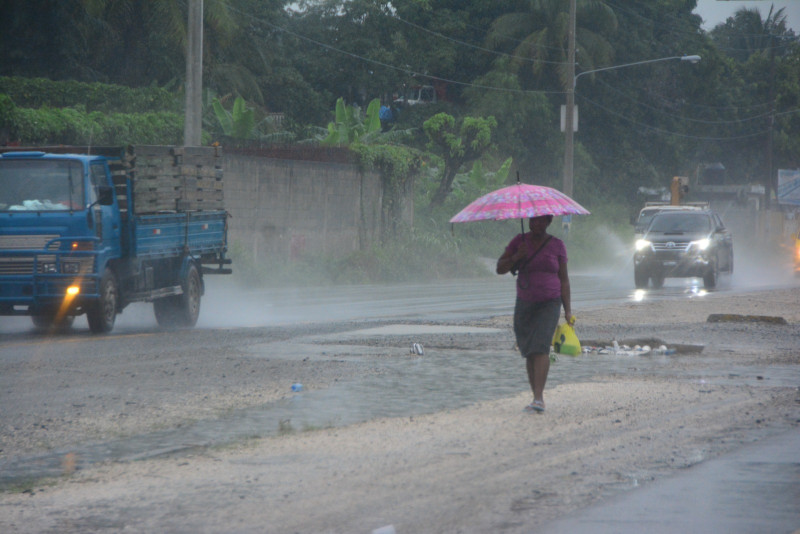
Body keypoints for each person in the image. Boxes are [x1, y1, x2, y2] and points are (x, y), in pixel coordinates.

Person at [496, 215, 573, 413]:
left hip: (550, 303)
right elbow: (500, 268)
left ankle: (539, 398)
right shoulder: (518, 242)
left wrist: (568, 310)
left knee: (540, 347)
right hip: (525, 303)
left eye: (541, 221)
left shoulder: (557, 245)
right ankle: (535, 396)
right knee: (529, 350)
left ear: (548, 222)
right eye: (533, 221)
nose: (536, 224)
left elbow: (564, 280)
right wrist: (516, 257)